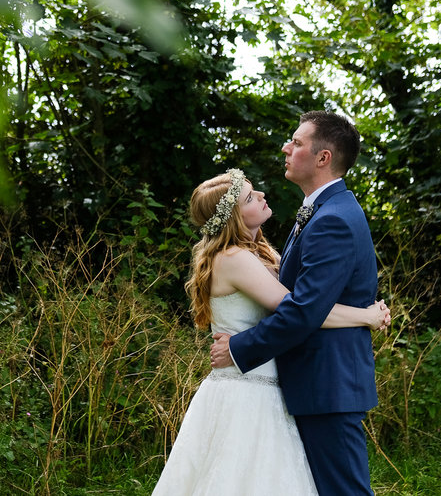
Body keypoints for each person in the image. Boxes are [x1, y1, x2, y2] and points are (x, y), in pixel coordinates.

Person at [153, 167, 389, 495]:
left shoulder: (256, 253)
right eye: (250, 197)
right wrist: (365, 316)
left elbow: (304, 306)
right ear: (234, 218)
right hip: (247, 391)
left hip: (263, 384)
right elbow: (304, 312)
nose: (262, 195)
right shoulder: (235, 258)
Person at [210, 111, 382, 495]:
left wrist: (240, 348)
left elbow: (304, 310)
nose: (287, 148)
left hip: (327, 385)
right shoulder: (319, 212)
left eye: (297, 142)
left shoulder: (332, 219)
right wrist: (367, 315)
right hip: (312, 384)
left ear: (323, 158)